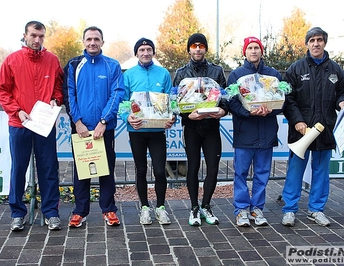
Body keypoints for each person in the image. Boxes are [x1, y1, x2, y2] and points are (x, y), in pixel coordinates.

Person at [0, 21, 63, 231]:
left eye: (41, 36)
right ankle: (17, 213)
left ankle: (51, 212)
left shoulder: (52, 60)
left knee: (49, 168)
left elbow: (58, 87)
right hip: (20, 123)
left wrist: (56, 100)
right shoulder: (12, 60)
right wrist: (16, 111)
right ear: (25, 35)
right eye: (33, 35)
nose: (37, 40)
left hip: (44, 124)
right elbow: (1, 90)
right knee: (18, 169)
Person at [281, 27, 344, 227]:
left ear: (324, 43)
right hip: (300, 131)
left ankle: (316, 210)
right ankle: (289, 210)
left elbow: (342, 92)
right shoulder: (296, 69)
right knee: (295, 171)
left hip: (325, 130)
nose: (316, 43)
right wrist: (298, 121)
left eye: (319, 40)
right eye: (312, 40)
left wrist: (342, 102)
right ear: (307, 43)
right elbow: (288, 98)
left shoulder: (336, 70)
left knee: (321, 172)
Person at [65, 26, 124, 227]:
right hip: (80, 128)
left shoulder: (112, 65)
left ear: (102, 42)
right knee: (82, 171)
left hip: (104, 129)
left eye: (96, 39)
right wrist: (78, 121)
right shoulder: (74, 65)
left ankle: (108, 210)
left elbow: (117, 93)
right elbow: (69, 95)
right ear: (83, 42)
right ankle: (79, 211)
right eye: (89, 39)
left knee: (106, 170)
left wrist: (104, 121)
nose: (92, 42)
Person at [227, 36, 283, 227]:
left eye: (256, 47)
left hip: (267, 133)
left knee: (262, 173)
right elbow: (232, 103)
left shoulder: (273, 75)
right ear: (245, 51)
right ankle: (241, 209)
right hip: (245, 133)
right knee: (241, 173)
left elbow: (282, 100)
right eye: (250, 48)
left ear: (261, 51)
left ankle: (257, 209)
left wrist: (271, 110)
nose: (253, 51)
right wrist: (249, 112)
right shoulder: (236, 75)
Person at [173, 33, 228, 226]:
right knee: (193, 168)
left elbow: (225, 97)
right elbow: (175, 103)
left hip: (212, 127)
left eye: (201, 46)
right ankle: (194, 208)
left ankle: (206, 206)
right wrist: (187, 116)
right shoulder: (181, 73)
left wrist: (223, 110)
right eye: (194, 46)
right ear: (189, 49)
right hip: (192, 128)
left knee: (213, 168)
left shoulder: (217, 71)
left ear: (205, 49)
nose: (197, 49)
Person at [121, 38, 175, 225]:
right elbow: (122, 102)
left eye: (149, 49)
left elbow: (171, 101)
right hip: (137, 130)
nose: (145, 53)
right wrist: (127, 117)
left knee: (160, 171)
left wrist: (172, 118)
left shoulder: (163, 73)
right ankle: (144, 207)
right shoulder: (128, 75)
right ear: (136, 53)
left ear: (153, 52)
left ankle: (160, 207)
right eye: (142, 50)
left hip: (157, 131)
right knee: (141, 170)